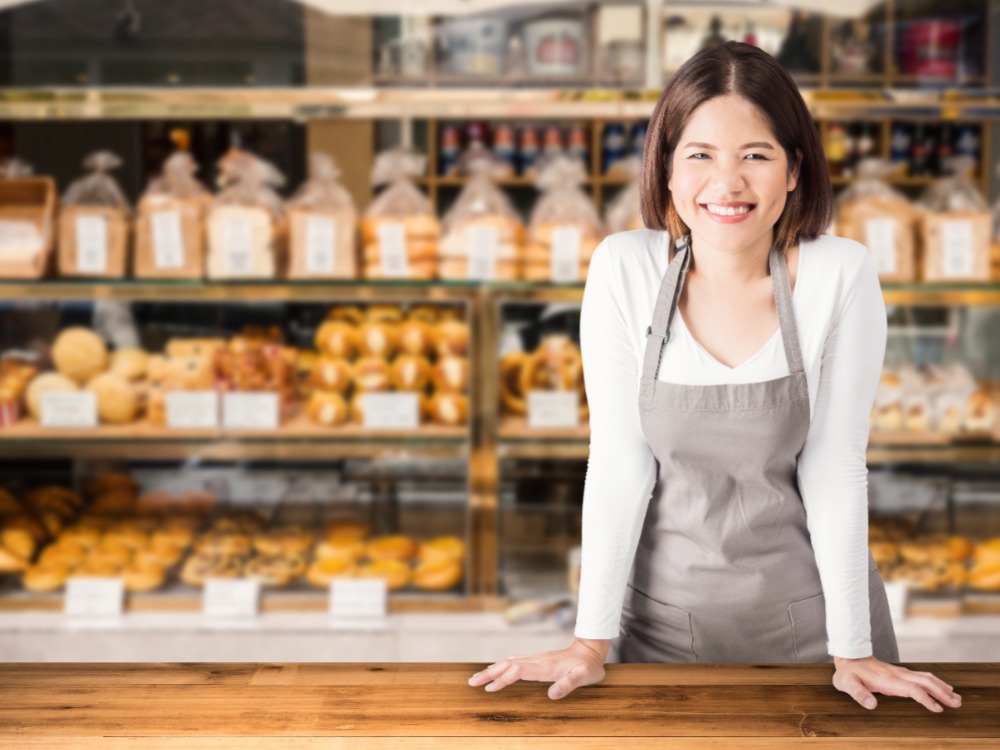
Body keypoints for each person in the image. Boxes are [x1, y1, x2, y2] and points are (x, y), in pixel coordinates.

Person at [468, 41, 963, 714]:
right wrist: (589, 643)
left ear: (794, 170)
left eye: (755, 156)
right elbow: (619, 462)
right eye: (699, 155)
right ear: (667, 171)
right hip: (657, 636)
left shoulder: (838, 274)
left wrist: (853, 648)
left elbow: (834, 466)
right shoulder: (624, 269)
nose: (726, 184)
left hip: (820, 639)